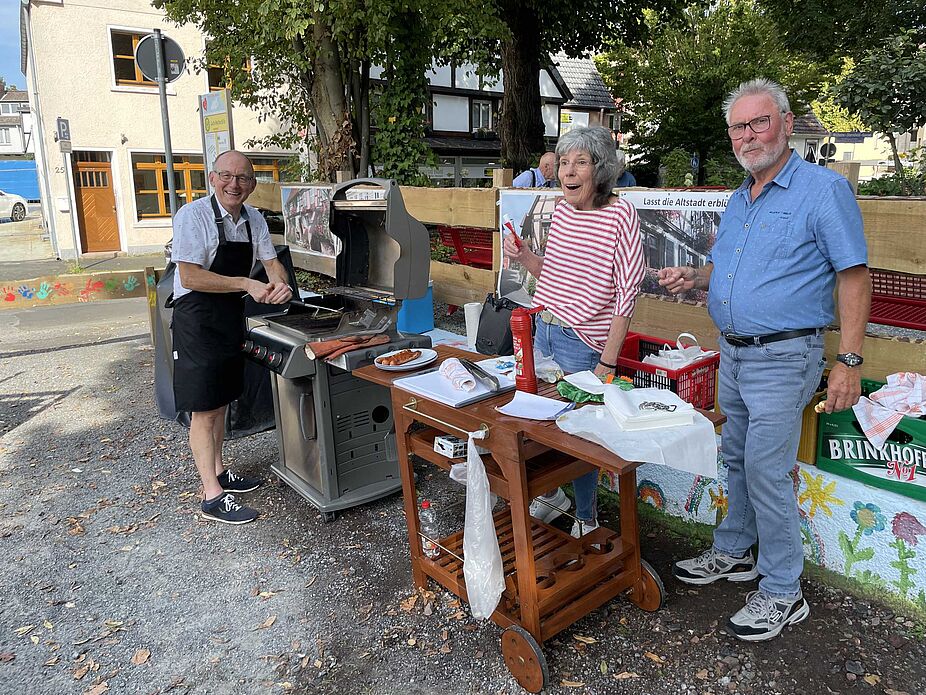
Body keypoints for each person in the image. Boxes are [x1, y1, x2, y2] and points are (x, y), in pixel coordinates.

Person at [658, 78, 871, 641]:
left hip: (785, 357)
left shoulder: (823, 191)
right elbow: (736, 274)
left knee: (766, 471)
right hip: (734, 354)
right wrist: (696, 279)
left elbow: (853, 275)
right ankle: (734, 550)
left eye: (758, 122)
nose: (747, 135)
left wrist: (848, 360)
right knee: (735, 456)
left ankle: (782, 590)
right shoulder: (739, 198)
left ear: (786, 120)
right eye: (737, 127)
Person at [503, 126, 645, 536]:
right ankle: (554, 496)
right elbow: (553, 275)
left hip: (582, 344)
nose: (569, 171)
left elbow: (627, 295)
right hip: (542, 327)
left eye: (580, 162)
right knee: (542, 424)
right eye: (564, 163)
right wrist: (526, 254)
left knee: (580, 437)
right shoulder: (561, 210)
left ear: (600, 170)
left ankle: (586, 517)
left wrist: (607, 362)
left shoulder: (621, 214)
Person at [171, 150, 294, 524]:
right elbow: (190, 277)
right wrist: (245, 282)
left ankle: (221, 471)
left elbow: (272, 264)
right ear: (213, 178)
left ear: (252, 185)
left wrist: (281, 285)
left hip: (228, 317)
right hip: (196, 318)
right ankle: (211, 496)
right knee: (204, 408)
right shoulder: (192, 216)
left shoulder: (254, 218)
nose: (234, 185)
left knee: (222, 401)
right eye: (226, 176)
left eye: (242, 178)